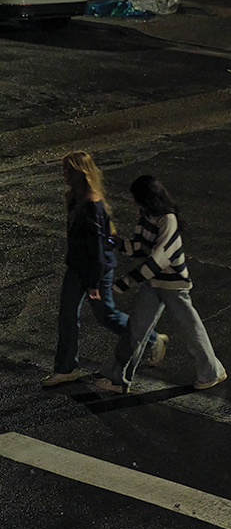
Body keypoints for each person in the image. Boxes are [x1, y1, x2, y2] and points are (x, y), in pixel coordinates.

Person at [95, 175, 226, 394]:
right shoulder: (147, 215)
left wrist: (125, 283)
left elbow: (159, 258)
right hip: (152, 282)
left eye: (136, 198)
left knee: (191, 329)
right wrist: (118, 243)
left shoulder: (168, 220)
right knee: (136, 328)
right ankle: (117, 378)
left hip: (173, 285)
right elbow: (140, 247)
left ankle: (211, 373)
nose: (134, 202)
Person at [42, 151, 164, 386]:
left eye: (68, 169)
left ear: (81, 172)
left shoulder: (92, 205)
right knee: (67, 315)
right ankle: (66, 367)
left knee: (106, 315)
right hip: (77, 267)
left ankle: (152, 339)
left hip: (97, 269)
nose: (63, 174)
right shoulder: (74, 198)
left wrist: (93, 283)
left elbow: (98, 250)